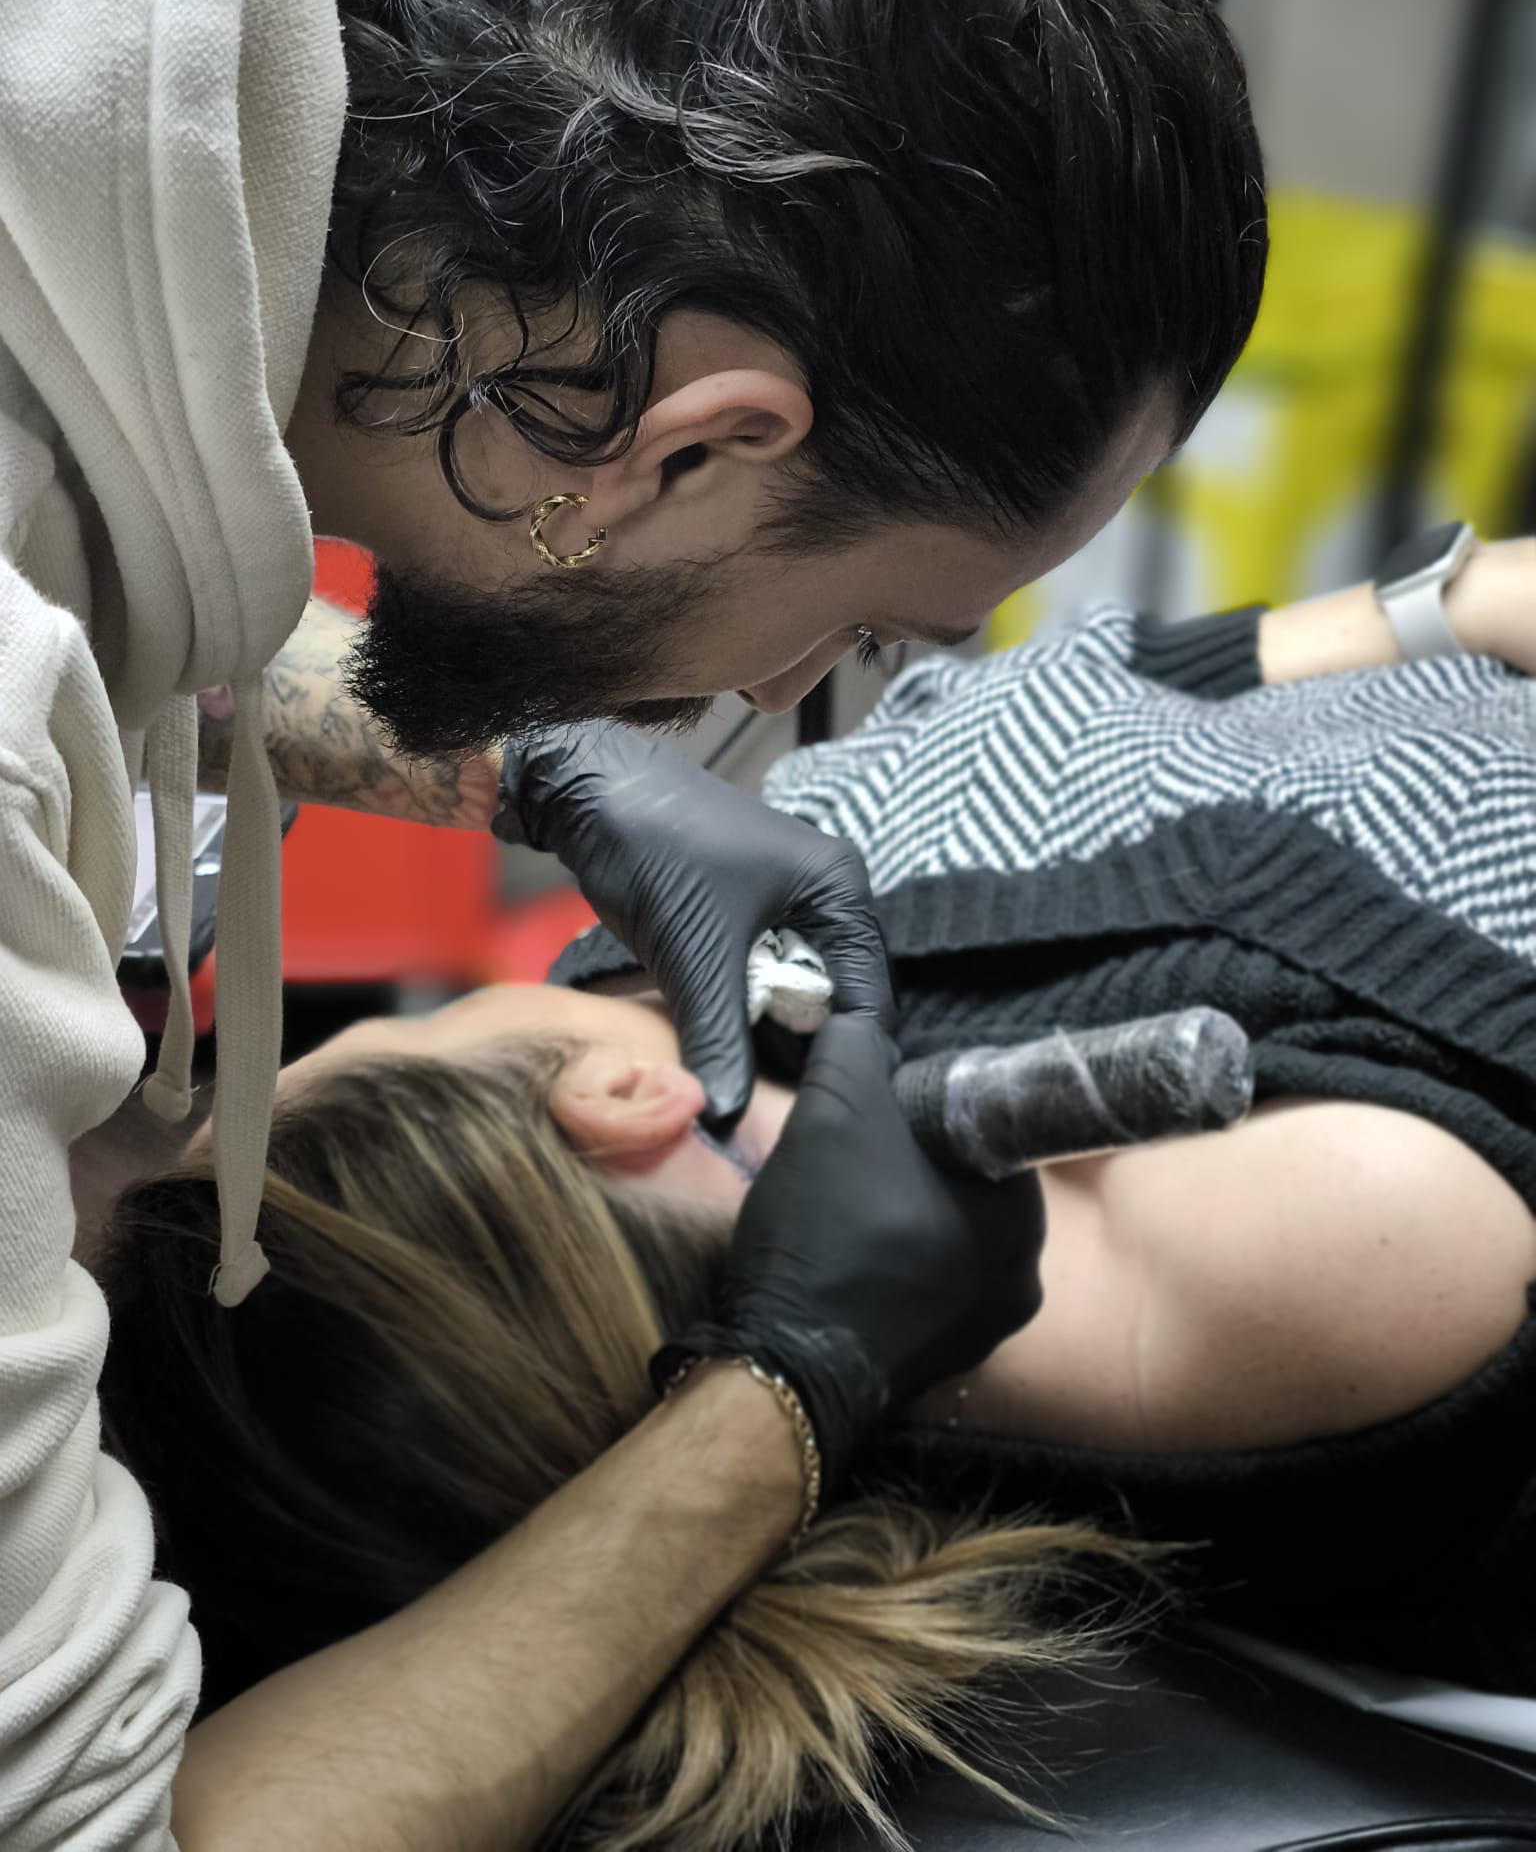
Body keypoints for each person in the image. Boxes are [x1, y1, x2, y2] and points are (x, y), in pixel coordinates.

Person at [0, 0, 1264, 1842]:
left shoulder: (177, 16)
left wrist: (516, 759)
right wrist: (787, 1393)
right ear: (695, 445)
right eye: (860, 628)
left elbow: (104, 611)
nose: (781, 695)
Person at [91, 533, 1536, 1846]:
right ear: (611, 1101)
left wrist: (1448, 602)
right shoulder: (1318, 1241)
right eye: (411, 1032)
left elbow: (1109, 678)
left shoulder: (766, 976)